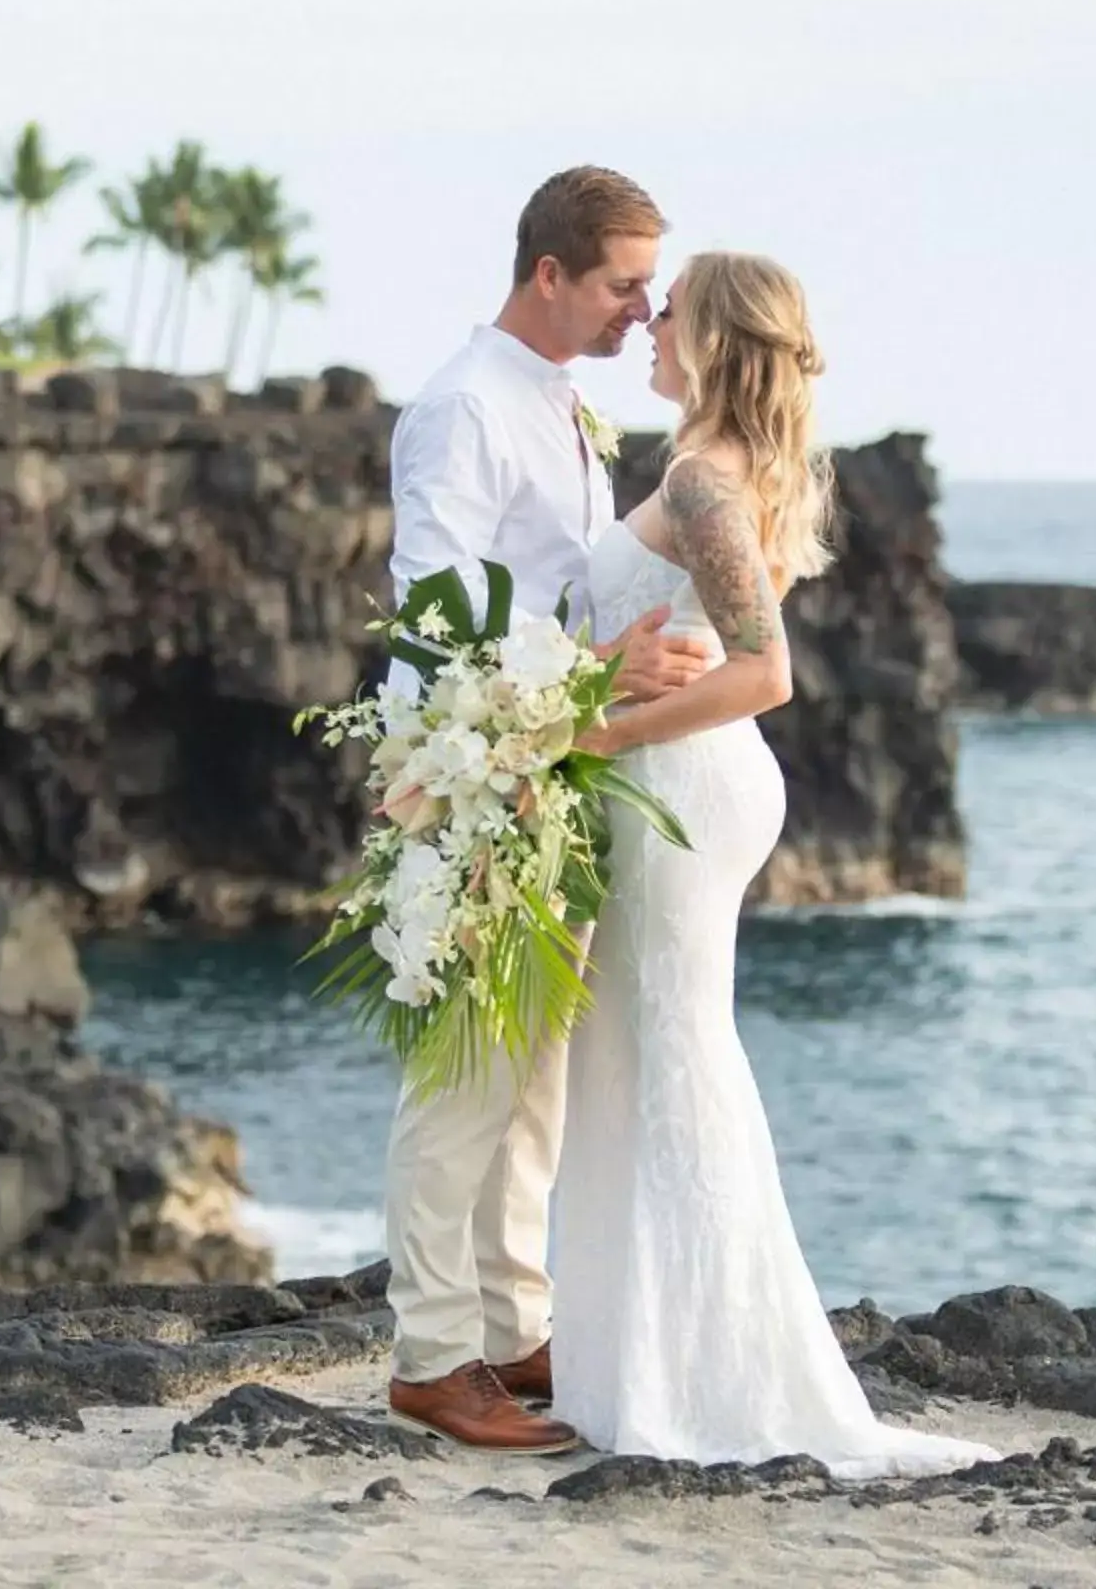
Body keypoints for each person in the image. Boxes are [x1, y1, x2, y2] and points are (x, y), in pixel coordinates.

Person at [548, 250, 991, 1479]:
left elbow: (765, 668)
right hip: (680, 779)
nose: (648, 319)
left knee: (673, 1050)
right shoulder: (716, 465)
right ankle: (640, 1364)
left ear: (715, 335)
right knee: (633, 1051)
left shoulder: (700, 477)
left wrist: (596, 730)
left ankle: (712, 1383)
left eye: (669, 306)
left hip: (680, 786)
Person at [379, 166, 708, 1453]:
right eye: (626, 284)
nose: (644, 309)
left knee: (535, 1072)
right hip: (477, 767)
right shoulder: (462, 407)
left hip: (556, 761)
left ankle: (514, 1328)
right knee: (464, 1071)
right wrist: (591, 678)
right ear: (551, 274)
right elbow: (433, 612)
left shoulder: (561, 400)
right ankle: (431, 1355)